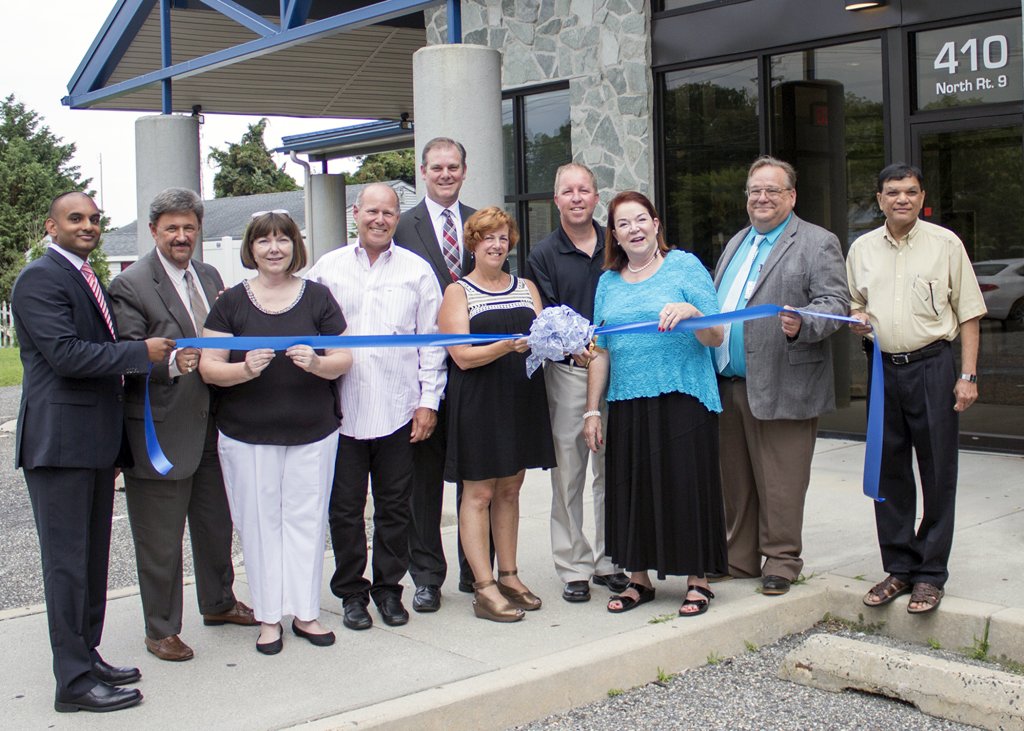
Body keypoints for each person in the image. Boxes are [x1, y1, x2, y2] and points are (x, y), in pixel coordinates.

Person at [12, 191, 175, 712]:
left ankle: (87, 654)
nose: (88, 226)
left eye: (94, 220)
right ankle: (73, 684)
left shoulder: (86, 277)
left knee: (91, 561)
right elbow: (64, 354)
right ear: (50, 225)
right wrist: (139, 353)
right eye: (76, 218)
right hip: (59, 447)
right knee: (66, 566)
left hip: (94, 445)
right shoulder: (41, 278)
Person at [109, 188, 255, 664]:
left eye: (189, 227)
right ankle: (161, 629)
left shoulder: (211, 276)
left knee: (216, 523)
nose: (181, 235)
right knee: (161, 537)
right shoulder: (131, 284)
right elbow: (128, 357)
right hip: (161, 429)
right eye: (171, 227)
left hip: (216, 422)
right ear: (153, 231)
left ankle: (219, 602)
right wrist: (172, 365)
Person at [198, 211, 351, 654]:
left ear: (294, 246)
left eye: (283, 239)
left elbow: (344, 358)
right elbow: (209, 367)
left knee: (306, 522)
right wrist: (243, 370)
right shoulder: (231, 302)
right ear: (251, 248)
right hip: (246, 437)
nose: (274, 248)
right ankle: (268, 618)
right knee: (259, 524)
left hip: (314, 432)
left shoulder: (319, 298)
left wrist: (319, 364)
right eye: (264, 241)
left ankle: (305, 612)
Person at [306, 183, 447, 631]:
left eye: (388, 213)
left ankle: (388, 590)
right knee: (345, 510)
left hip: (398, 411)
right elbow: (298, 316)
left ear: (396, 218)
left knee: (394, 508)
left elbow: (434, 344)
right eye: (372, 211)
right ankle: (351, 592)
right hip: (340, 412)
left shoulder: (417, 271)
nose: (380, 220)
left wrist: (429, 402)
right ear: (356, 213)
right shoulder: (326, 268)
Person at [848, 163, 986, 614]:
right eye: (892, 192)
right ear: (880, 199)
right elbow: (855, 303)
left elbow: (968, 314)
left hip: (934, 366)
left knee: (937, 471)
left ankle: (930, 574)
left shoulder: (945, 244)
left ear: (921, 195)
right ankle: (900, 567)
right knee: (888, 472)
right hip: (884, 369)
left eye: (910, 191)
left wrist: (966, 376)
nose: (901, 199)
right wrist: (858, 319)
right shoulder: (863, 249)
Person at [584, 191, 727, 617]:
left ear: (656, 223)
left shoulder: (684, 266)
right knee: (632, 489)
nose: (634, 229)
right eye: (624, 223)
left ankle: (698, 580)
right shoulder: (607, 282)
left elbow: (716, 335)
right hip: (628, 400)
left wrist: (690, 311)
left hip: (683, 395)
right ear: (615, 234)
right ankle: (638, 580)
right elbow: (601, 349)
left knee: (686, 485)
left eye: (641, 219)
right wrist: (593, 409)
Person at [713, 156, 849, 596]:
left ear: (791, 196)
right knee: (736, 481)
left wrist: (804, 323)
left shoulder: (816, 242)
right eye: (755, 190)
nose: (762, 198)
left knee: (781, 480)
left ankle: (782, 561)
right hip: (730, 383)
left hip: (785, 381)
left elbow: (836, 304)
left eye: (772, 190)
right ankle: (740, 558)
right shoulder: (736, 242)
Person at [438, 206, 555, 622]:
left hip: (520, 398)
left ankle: (509, 574)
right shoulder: (458, 292)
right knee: (479, 493)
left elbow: (543, 337)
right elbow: (462, 357)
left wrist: (572, 341)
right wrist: (506, 346)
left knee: (510, 489)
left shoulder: (525, 286)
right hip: (478, 403)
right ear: (473, 243)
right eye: (488, 237)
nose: (496, 244)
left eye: (503, 237)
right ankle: (483, 587)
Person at [524, 162, 629, 603]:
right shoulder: (542, 255)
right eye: (567, 191)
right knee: (569, 472)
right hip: (569, 372)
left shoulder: (620, 242)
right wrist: (575, 351)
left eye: (584, 190)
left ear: (596, 196)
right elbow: (544, 317)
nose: (576, 198)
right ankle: (573, 565)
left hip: (622, 368)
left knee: (613, 470)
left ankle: (611, 559)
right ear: (556, 200)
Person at [393, 136, 485, 610]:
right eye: (437, 167)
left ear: (464, 171)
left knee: (476, 476)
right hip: (420, 374)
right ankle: (426, 576)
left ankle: (477, 570)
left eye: (454, 166)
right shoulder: (401, 226)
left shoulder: (482, 223)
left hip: (476, 372)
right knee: (423, 481)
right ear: (422, 172)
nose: (445, 174)